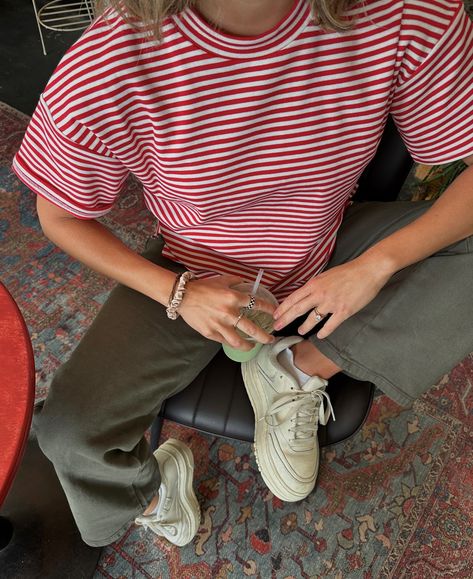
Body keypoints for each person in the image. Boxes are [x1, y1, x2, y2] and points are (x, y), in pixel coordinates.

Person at [12, 0, 473, 548]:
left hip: (330, 245)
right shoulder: (111, 60)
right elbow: (59, 214)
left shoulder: (405, 15)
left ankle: (297, 370)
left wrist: (376, 265)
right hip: (197, 267)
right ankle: (153, 496)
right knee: (69, 434)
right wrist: (179, 293)